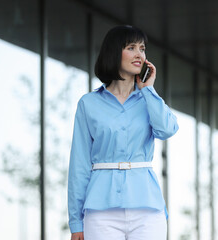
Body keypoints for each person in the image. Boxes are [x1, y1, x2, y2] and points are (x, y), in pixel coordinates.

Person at [68, 25, 179, 240]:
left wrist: (148, 89)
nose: (139, 54)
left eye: (142, 48)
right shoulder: (88, 104)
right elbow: (79, 165)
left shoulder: (149, 99)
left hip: (147, 209)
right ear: (114, 52)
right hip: (101, 211)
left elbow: (167, 129)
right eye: (131, 47)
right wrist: (75, 222)